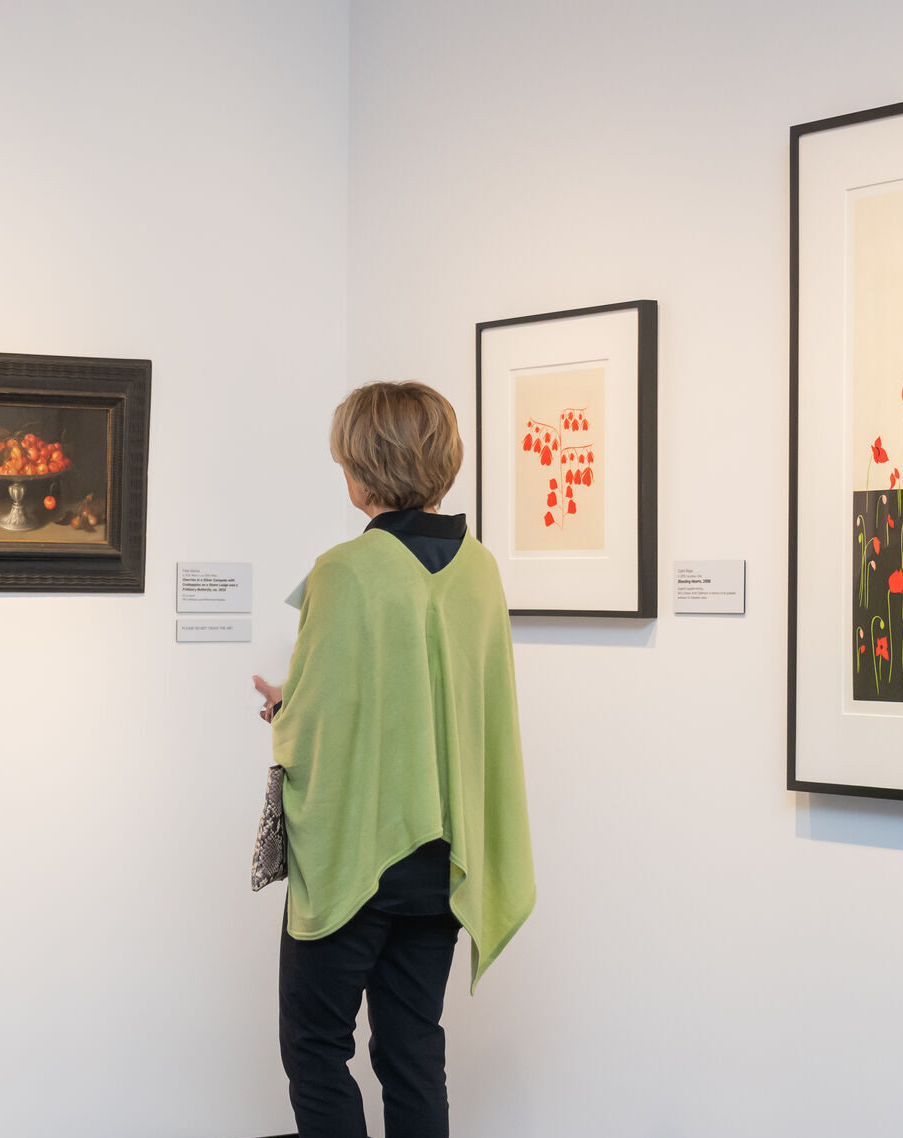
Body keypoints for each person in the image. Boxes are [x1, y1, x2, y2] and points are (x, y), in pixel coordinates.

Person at [249, 381, 535, 1138]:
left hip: (360, 860)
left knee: (315, 1048)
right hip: (444, 857)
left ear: (363, 466)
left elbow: (319, 719)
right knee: (412, 1050)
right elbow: (459, 706)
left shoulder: (345, 569)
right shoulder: (481, 568)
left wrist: (282, 707)